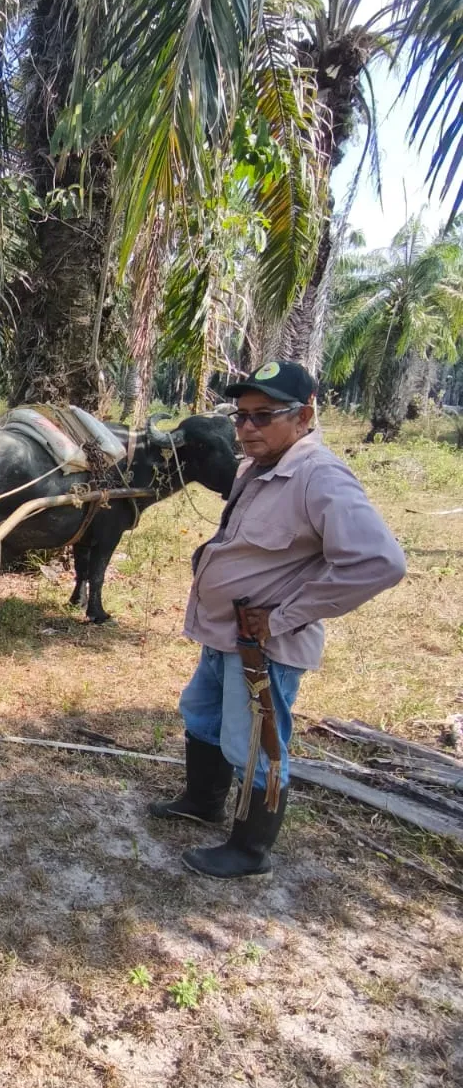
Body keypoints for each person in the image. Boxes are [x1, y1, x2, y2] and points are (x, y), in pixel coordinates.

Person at [150, 360, 407, 878]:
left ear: (304, 415)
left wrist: (285, 616)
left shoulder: (320, 477)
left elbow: (380, 562)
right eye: (240, 416)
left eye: (263, 416)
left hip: (262, 647)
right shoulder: (255, 467)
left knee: (257, 743)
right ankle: (203, 801)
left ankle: (249, 851)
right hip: (225, 633)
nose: (246, 429)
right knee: (201, 714)